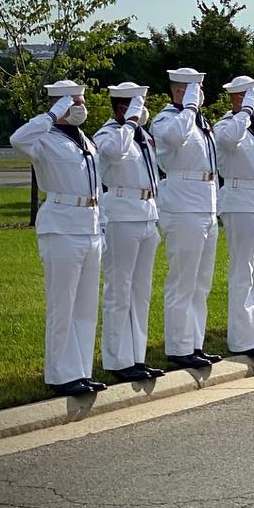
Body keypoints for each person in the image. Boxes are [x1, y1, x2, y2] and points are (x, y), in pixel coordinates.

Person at [10, 80, 106, 397]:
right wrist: (51, 115)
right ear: (60, 103)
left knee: (85, 307)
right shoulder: (43, 139)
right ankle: (59, 375)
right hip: (61, 226)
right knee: (62, 305)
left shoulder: (85, 140)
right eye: (74, 100)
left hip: (89, 226)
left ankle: (80, 371)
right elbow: (17, 139)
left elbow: (96, 187)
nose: (81, 105)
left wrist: (101, 226)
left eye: (81, 99)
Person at [150, 67, 223, 370]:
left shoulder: (199, 121)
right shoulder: (166, 119)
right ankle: (178, 347)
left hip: (205, 205)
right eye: (195, 88)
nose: (200, 93)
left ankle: (194, 342)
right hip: (183, 206)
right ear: (180, 91)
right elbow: (176, 139)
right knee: (182, 280)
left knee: (201, 282)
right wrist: (189, 107)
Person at [92, 82, 165, 381]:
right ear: (124, 106)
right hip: (121, 215)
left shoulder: (141, 136)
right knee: (119, 290)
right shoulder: (109, 134)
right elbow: (116, 153)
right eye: (138, 103)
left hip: (146, 215)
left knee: (140, 292)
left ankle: (137, 355)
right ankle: (117, 360)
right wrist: (131, 122)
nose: (143, 108)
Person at [213, 75, 254, 361]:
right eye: (252, 93)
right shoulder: (227, 124)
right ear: (239, 97)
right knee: (244, 272)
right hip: (240, 201)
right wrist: (245, 112)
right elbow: (228, 140)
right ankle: (241, 338)